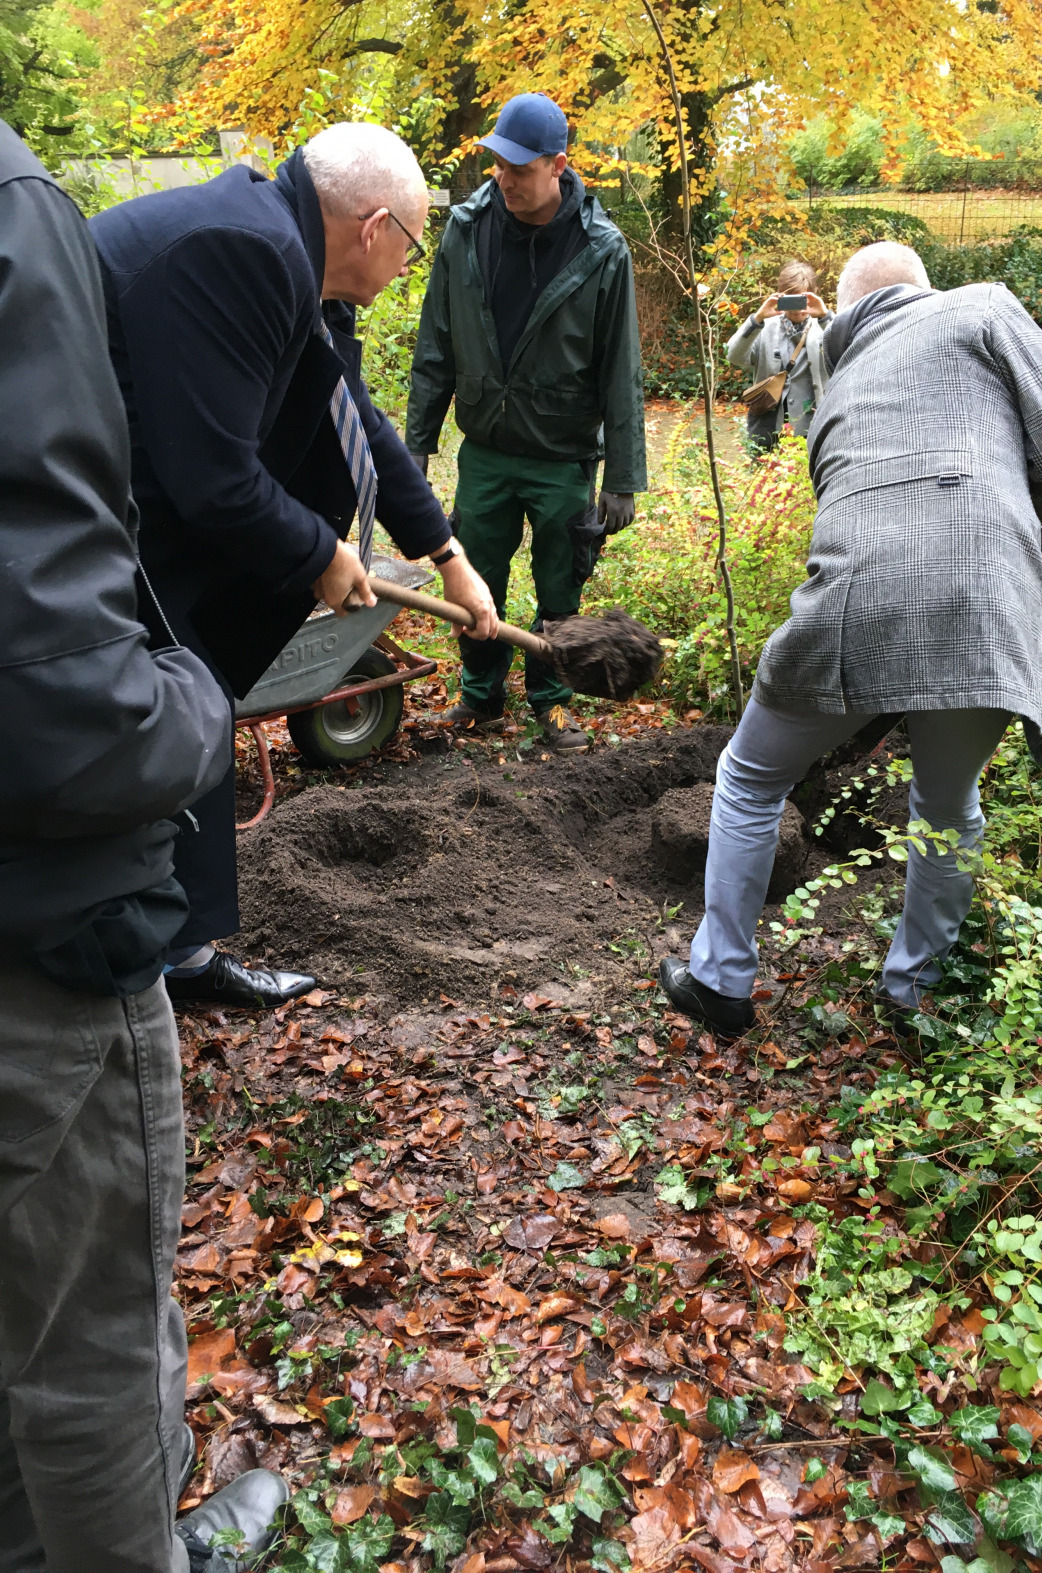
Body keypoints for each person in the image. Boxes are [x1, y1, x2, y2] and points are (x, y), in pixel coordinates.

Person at [0, 119, 287, 1573]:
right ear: (375, 230)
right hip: (34, 922)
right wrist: (194, 702)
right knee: (93, 1320)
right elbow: (68, 705)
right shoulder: (18, 206)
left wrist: (405, 543)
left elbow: (351, 420)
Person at [89, 122, 498, 1010]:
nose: (406, 268)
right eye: (412, 247)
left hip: (145, 506)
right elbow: (212, 475)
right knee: (174, 709)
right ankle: (150, 960)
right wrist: (319, 553)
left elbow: (358, 425)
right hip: (93, 512)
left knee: (194, 704)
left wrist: (448, 556)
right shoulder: (249, 253)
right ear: (374, 225)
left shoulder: (292, 265)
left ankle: (180, 956)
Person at [661, 241, 1042, 1036]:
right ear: (920, 289)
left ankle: (721, 980)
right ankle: (914, 996)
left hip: (849, 603)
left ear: (847, 308)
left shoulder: (832, 390)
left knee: (753, 778)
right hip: (986, 607)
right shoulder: (984, 307)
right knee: (945, 805)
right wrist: (1004, 538)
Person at [405, 92, 648, 753]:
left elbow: (620, 370)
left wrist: (622, 477)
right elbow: (435, 345)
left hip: (561, 455)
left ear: (558, 165)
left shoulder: (602, 250)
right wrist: (417, 446)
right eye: (497, 164)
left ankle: (552, 700)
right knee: (472, 574)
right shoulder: (464, 229)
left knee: (558, 582)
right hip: (484, 447)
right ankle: (479, 696)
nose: (505, 178)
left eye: (519, 167)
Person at [726, 257, 832, 451]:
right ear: (780, 297)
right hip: (767, 423)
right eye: (792, 299)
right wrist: (757, 318)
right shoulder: (765, 327)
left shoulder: (824, 327)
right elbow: (734, 356)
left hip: (811, 425)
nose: (799, 308)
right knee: (763, 477)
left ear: (815, 294)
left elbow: (847, 353)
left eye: (804, 299)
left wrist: (826, 317)